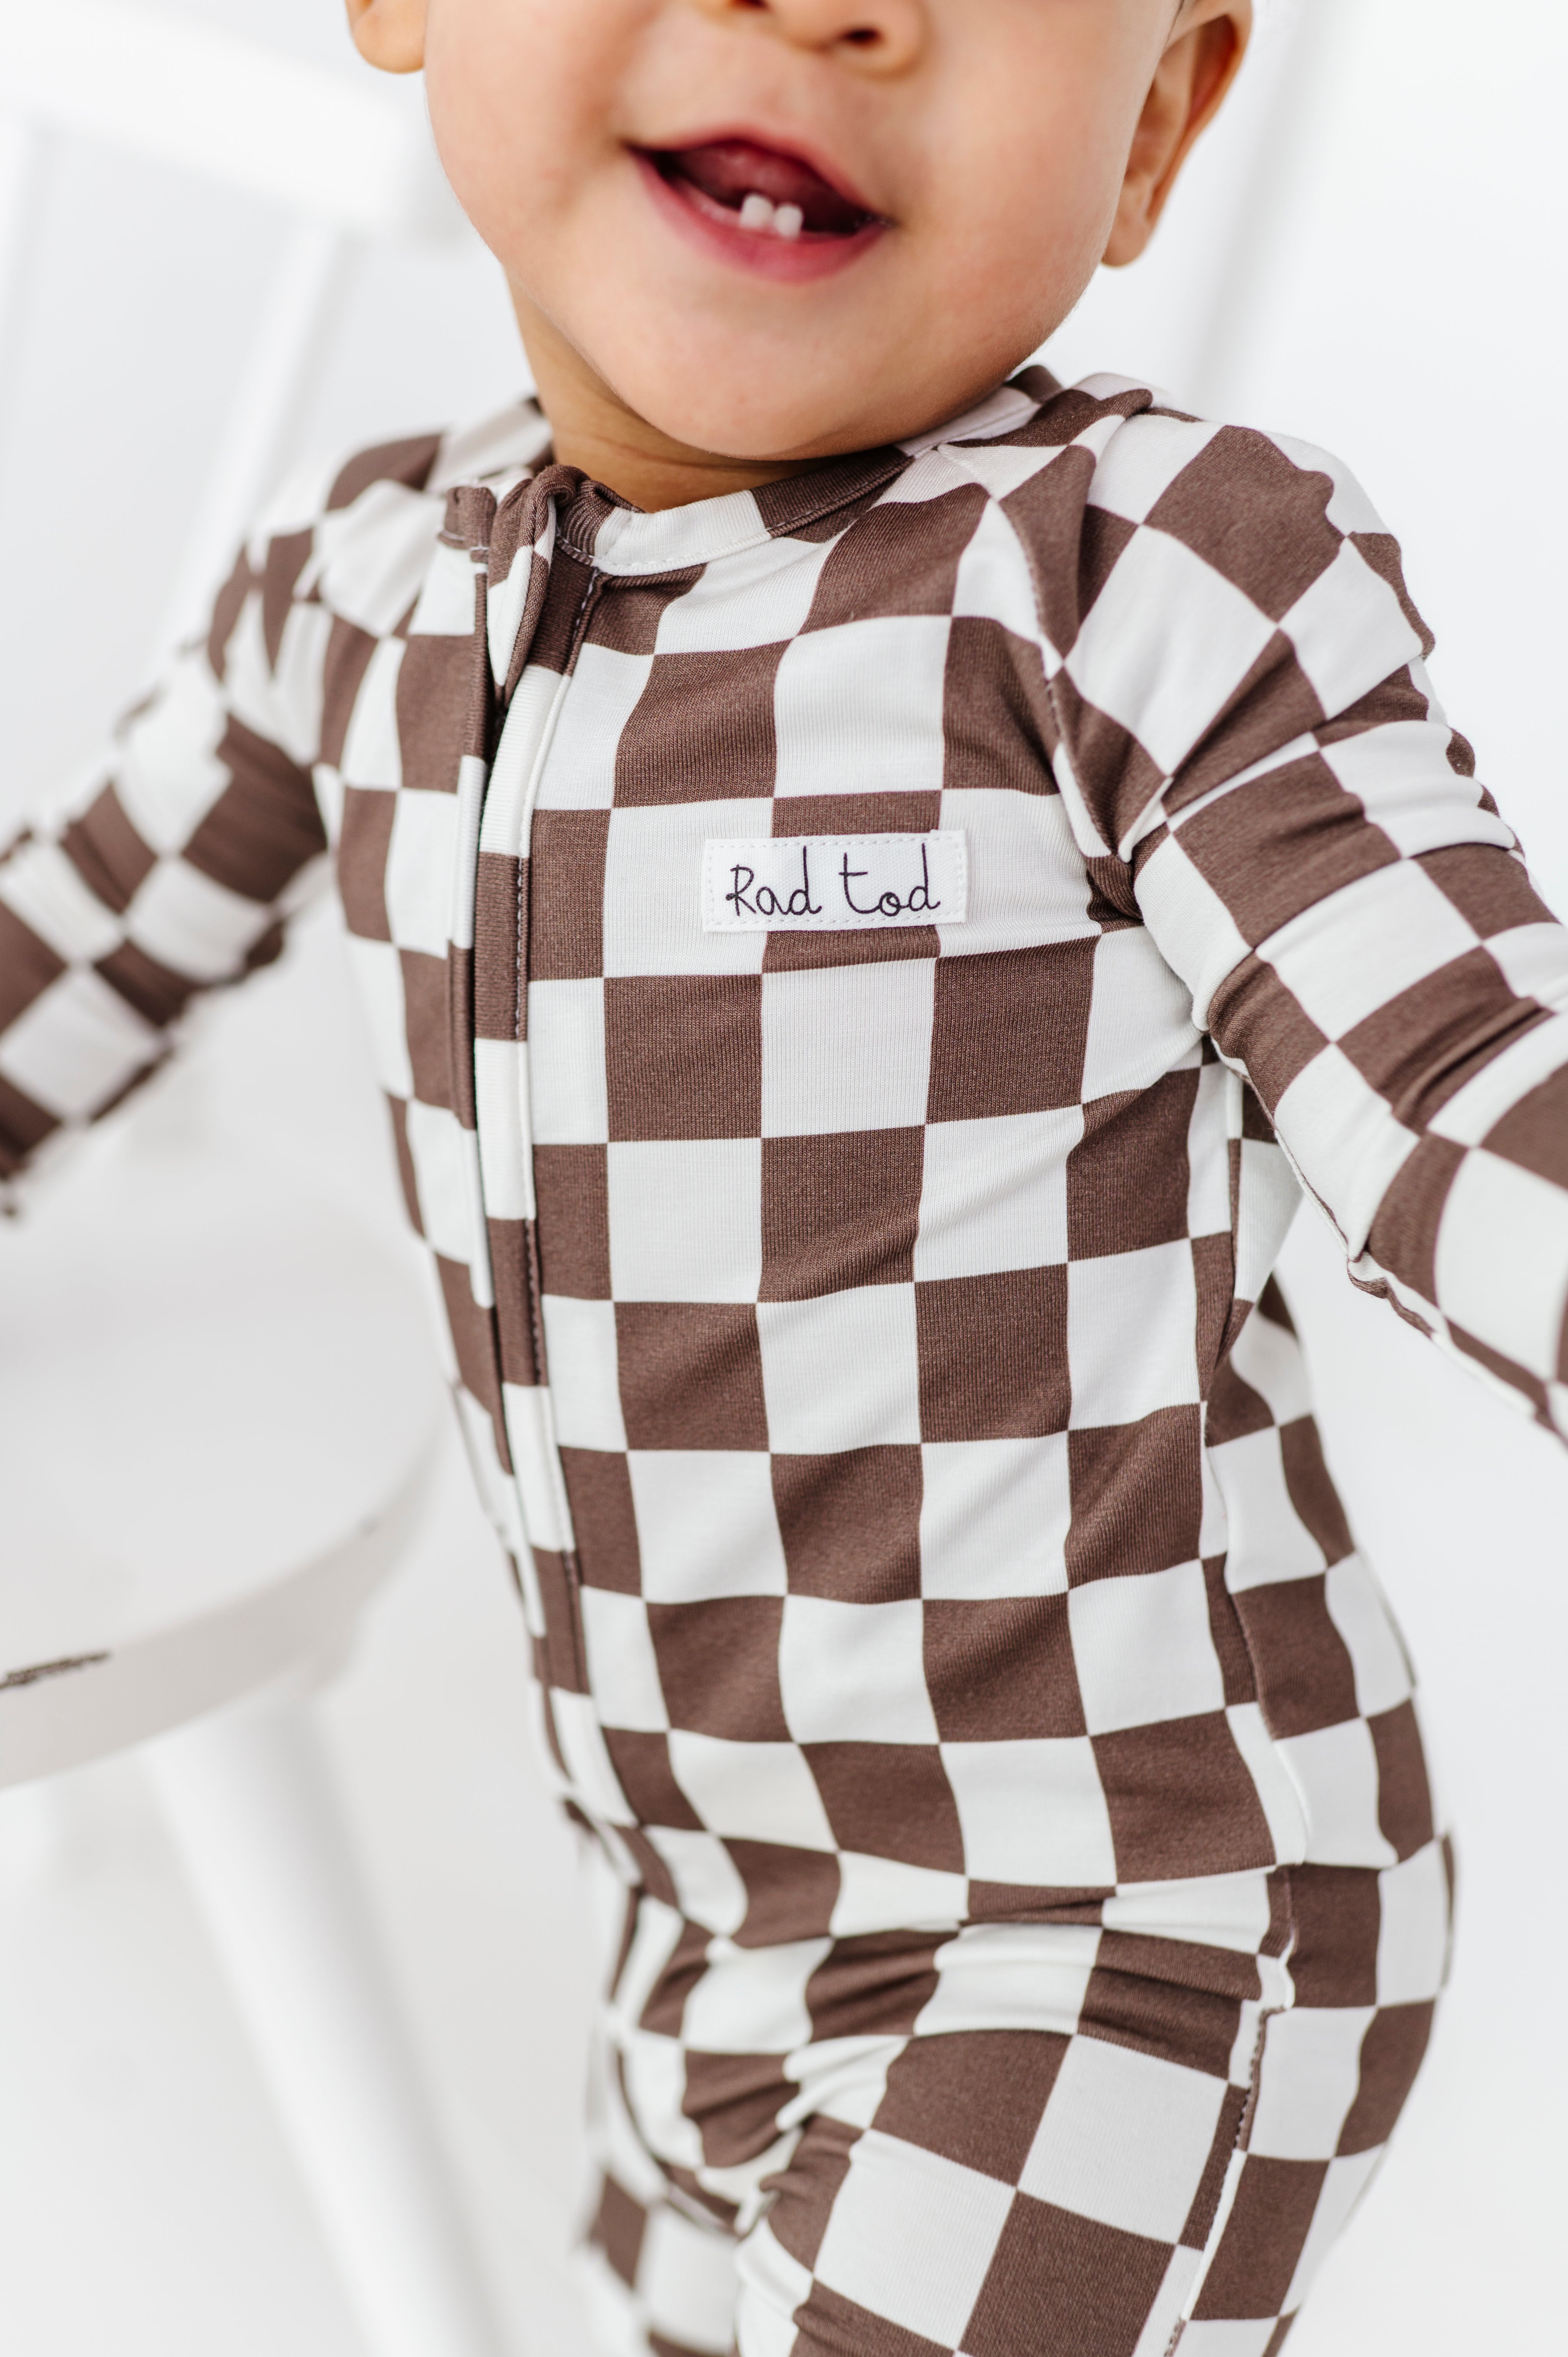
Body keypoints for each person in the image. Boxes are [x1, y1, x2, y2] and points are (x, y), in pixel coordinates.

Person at [3, 2, 1562, 2349]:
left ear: (1151, 121)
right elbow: (54, 965)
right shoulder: (352, 600)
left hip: (1124, 1925)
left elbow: (1453, 1081)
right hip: (693, 1923)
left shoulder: (1132, 581)